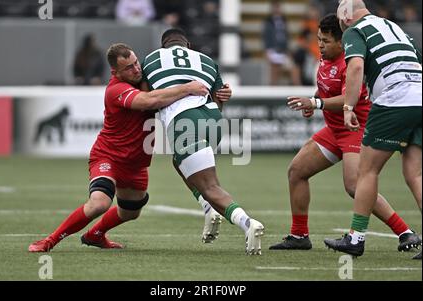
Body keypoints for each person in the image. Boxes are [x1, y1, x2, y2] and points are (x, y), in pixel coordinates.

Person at [28, 43, 214, 252]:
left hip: (136, 164)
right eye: (128, 68)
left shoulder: (145, 77)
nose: (136, 69)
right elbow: (148, 101)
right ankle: (49, 241)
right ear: (115, 72)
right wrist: (188, 87)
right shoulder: (116, 90)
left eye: (136, 63)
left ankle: (95, 235)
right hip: (109, 157)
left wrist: (219, 94)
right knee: (99, 203)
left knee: (131, 212)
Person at [269, 14, 421, 253]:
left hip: (355, 129)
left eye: (326, 41)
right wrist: (314, 100)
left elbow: (347, 98)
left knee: (354, 185)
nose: (320, 45)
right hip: (334, 130)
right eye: (319, 39)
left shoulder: (352, 63)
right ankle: (299, 235)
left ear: (343, 43)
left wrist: (315, 103)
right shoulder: (324, 57)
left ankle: (405, 232)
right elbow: (324, 88)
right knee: (296, 171)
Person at [141, 28, 265, 255]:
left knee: (210, 186)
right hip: (214, 120)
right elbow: (219, 101)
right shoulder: (207, 60)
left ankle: (248, 223)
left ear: (164, 45)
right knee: (179, 163)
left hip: (184, 121)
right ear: (187, 45)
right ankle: (208, 208)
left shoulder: (151, 59)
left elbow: (145, 99)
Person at [324, 0, 422, 260]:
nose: (342, 25)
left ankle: (355, 238)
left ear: (346, 15)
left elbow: (355, 67)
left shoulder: (356, 30)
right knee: (416, 175)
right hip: (420, 96)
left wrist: (348, 107)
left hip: (395, 98)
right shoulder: (394, 26)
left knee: (367, 172)